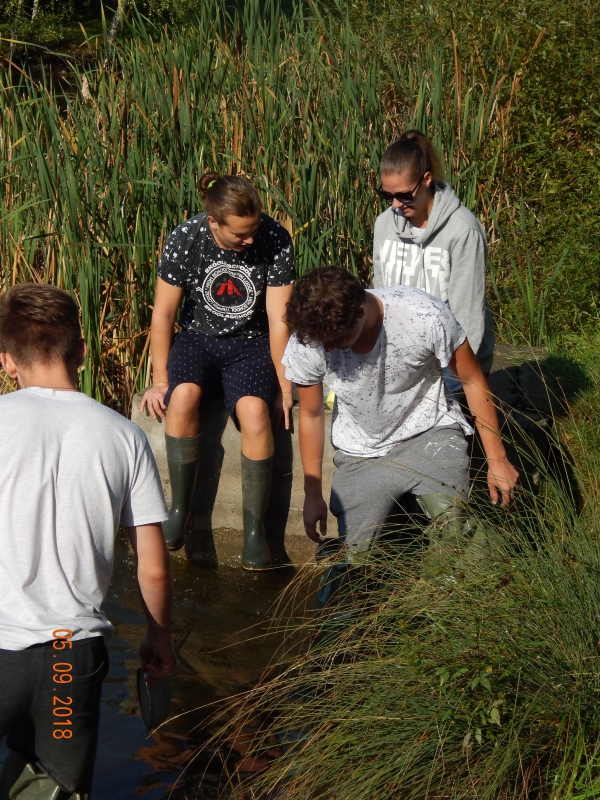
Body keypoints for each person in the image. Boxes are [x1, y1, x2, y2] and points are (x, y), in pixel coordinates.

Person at [0, 283, 174, 800]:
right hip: (65, 654)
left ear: (7, 361)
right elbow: (155, 568)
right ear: (81, 350)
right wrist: (158, 637)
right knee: (54, 788)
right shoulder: (124, 435)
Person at [282, 267, 518, 561]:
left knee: (458, 536)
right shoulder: (311, 339)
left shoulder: (423, 314)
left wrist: (497, 458)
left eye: (337, 340)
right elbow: (312, 414)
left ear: (359, 310)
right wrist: (312, 493)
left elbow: (472, 380)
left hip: (430, 432)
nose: (327, 349)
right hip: (360, 451)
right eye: (322, 343)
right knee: (355, 560)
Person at [141, 171, 295, 570]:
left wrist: (284, 384)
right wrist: (160, 380)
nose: (249, 240)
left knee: (255, 413)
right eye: (240, 235)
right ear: (214, 222)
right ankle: (179, 511)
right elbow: (164, 313)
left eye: (254, 230)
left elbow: (279, 319)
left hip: (252, 343)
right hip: (196, 338)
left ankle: (254, 533)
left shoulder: (275, 239)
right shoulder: (187, 237)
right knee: (184, 397)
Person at [372, 130, 494, 398]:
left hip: (453, 365)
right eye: (387, 195)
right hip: (402, 360)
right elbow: (381, 301)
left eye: (404, 196)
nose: (395, 205)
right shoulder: (384, 224)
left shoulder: (463, 230)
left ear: (426, 180)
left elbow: (467, 320)